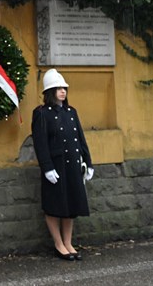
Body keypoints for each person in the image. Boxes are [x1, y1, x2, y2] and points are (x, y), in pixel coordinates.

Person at [31, 68, 94, 261]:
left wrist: (88, 162)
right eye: (58, 88)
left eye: (64, 88)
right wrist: (47, 167)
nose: (63, 91)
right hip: (56, 167)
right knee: (55, 206)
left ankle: (68, 242)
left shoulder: (71, 111)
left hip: (73, 166)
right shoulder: (41, 113)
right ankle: (58, 243)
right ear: (50, 92)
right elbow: (40, 144)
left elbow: (80, 139)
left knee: (71, 206)